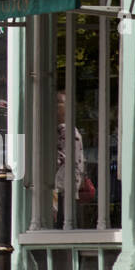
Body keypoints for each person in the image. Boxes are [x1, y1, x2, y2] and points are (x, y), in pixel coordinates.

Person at [53, 89, 86, 226]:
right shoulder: (60, 130)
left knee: (65, 224)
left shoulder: (67, 132)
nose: (55, 107)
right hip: (63, 189)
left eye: (59, 103)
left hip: (63, 190)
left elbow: (62, 160)